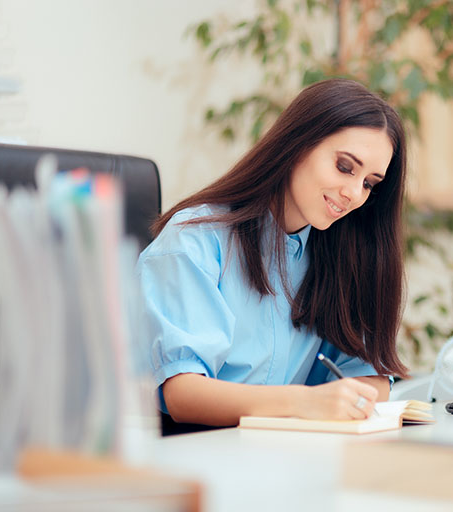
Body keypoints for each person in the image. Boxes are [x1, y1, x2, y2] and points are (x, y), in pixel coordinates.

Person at [136, 78, 409, 427]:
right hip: (195, 454)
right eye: (344, 167)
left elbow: (368, 374)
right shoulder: (194, 241)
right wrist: (304, 401)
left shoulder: (341, 254)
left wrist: (350, 398)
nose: (355, 193)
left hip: (285, 455)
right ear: (297, 145)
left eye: (369, 183)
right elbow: (184, 394)